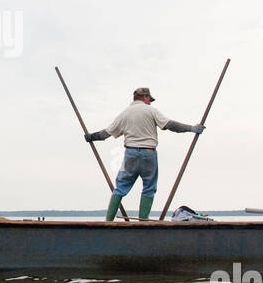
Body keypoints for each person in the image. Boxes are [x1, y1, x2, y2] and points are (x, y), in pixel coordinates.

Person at [84, 87, 204, 221]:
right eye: (149, 100)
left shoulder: (124, 114)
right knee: (149, 187)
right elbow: (170, 125)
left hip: (130, 154)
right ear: (145, 97)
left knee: (120, 187)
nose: (150, 102)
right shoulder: (151, 111)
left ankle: (108, 222)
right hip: (149, 153)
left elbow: (105, 134)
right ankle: (143, 222)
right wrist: (191, 128)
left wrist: (91, 137)